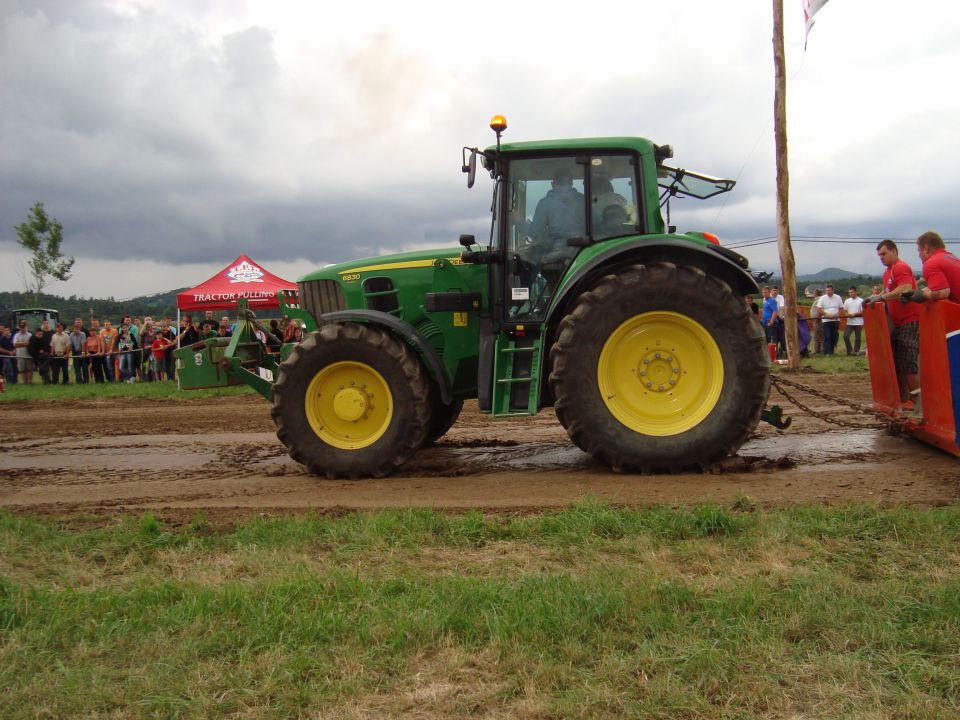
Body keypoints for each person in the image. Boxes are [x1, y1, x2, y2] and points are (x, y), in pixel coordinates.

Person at [876, 239, 920, 409]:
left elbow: (905, 288)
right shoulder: (887, 272)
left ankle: (919, 403)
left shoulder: (900, 267)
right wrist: (877, 297)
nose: (881, 257)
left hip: (910, 319)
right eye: (879, 255)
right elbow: (887, 291)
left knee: (908, 361)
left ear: (894, 251)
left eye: (884, 253)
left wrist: (881, 298)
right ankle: (905, 400)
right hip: (896, 322)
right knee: (898, 362)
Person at [916, 230, 960, 302]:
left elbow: (942, 292)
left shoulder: (930, 263)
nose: (919, 255)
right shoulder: (951, 257)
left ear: (926, 248)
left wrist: (922, 295)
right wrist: (918, 291)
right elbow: (940, 285)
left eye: (919, 250)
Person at [814, 285, 843, 355]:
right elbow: (818, 309)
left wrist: (837, 314)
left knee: (834, 336)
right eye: (827, 290)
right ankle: (827, 352)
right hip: (826, 320)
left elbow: (841, 308)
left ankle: (831, 351)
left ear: (833, 290)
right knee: (827, 336)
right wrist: (826, 314)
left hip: (836, 320)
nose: (828, 292)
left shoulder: (838, 297)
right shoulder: (822, 298)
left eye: (829, 290)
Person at [842, 286, 864, 355]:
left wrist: (854, 314)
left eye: (852, 292)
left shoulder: (861, 301)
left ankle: (856, 351)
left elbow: (863, 311)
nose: (850, 294)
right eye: (849, 292)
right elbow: (844, 310)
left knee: (857, 338)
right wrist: (848, 314)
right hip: (850, 323)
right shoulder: (847, 301)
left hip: (859, 322)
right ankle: (849, 351)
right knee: (846, 336)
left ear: (855, 292)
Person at [809, 288, 824, 355]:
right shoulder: (817, 300)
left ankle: (819, 350)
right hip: (816, 319)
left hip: (818, 319)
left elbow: (820, 309)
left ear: (816, 293)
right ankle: (817, 349)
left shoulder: (819, 300)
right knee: (816, 334)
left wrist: (818, 316)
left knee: (818, 334)